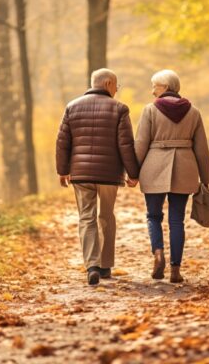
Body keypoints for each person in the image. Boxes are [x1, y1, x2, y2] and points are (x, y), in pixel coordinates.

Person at [56, 68, 140, 285]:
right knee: (106, 216)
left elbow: (63, 142)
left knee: (86, 217)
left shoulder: (72, 107)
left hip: (81, 174)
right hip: (109, 174)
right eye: (116, 85)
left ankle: (91, 265)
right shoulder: (119, 109)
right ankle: (104, 266)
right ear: (108, 84)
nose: (117, 89)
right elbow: (126, 144)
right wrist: (133, 173)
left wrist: (62, 170)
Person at [135, 69, 209, 283]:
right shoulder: (194, 112)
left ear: (166, 87)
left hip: (154, 167)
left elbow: (141, 144)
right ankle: (175, 270)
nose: (152, 92)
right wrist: (205, 178)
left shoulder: (149, 111)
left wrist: (132, 173)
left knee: (153, 216)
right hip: (185, 169)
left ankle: (158, 253)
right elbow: (202, 149)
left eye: (154, 86)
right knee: (177, 221)